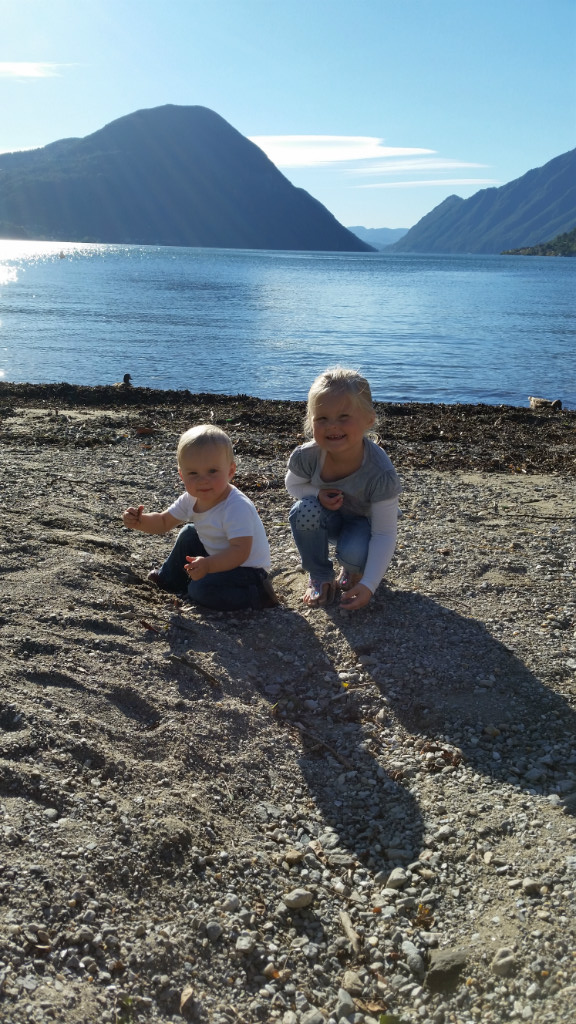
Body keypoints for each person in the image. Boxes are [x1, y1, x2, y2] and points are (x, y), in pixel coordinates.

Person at [122, 424, 277, 611]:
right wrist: (140, 521)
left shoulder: (236, 506)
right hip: (218, 556)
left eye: (212, 471)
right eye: (193, 473)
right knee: (189, 533)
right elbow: (163, 521)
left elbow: (240, 551)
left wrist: (208, 565)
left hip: (247, 571)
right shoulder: (191, 499)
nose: (203, 480)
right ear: (182, 475)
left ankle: (258, 596)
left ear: (230, 471)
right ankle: (169, 578)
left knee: (200, 589)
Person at [285, 366, 401, 611]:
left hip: (364, 525)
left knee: (354, 553)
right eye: (322, 418)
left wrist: (369, 585)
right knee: (304, 509)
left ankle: (354, 569)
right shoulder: (308, 456)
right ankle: (320, 575)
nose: (332, 426)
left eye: (343, 417)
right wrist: (317, 494)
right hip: (329, 520)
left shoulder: (380, 472)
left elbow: (384, 533)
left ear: (369, 419)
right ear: (311, 421)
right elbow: (292, 484)